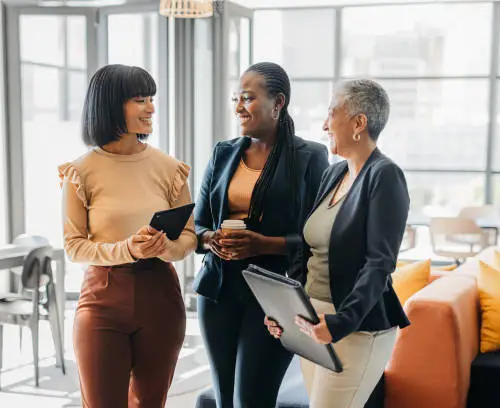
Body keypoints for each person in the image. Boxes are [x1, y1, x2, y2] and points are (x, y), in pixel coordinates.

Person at [265, 79, 411, 408]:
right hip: (314, 322)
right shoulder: (334, 174)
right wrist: (288, 312)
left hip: (353, 327)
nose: (323, 124)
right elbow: (307, 252)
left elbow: (379, 264)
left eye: (332, 113)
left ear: (359, 123)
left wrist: (341, 322)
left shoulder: (385, 176)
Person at [59, 64, 196, 408]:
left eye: (151, 98)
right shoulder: (80, 171)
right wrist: (126, 249)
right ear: (109, 105)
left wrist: (168, 246)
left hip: (160, 295)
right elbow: (73, 246)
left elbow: (190, 238)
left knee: (151, 403)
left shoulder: (170, 168)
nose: (151, 108)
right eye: (140, 100)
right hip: (102, 298)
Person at [194, 62, 330, 407]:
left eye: (248, 98)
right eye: (235, 98)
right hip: (217, 290)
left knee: (252, 399)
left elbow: (319, 238)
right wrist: (211, 239)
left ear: (278, 102)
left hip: (274, 296)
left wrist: (262, 244)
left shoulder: (310, 157)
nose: (238, 106)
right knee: (224, 398)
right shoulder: (223, 153)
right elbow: (197, 225)